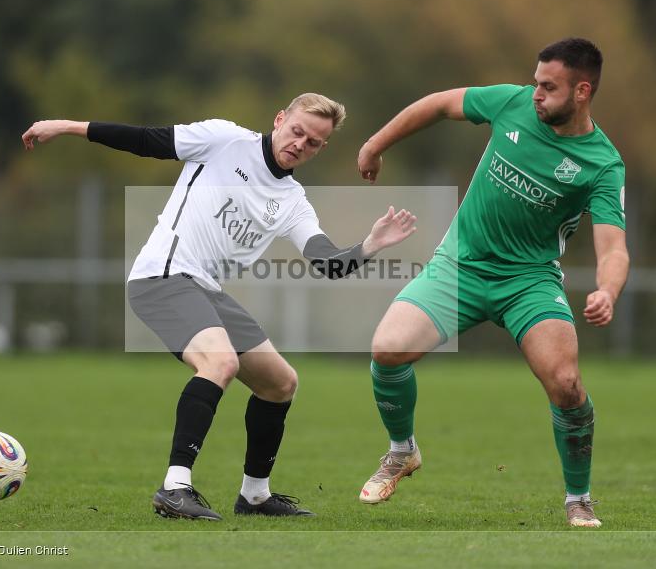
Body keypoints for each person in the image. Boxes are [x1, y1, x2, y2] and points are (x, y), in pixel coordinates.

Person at [22, 93, 417, 521]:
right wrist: (66, 125)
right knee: (220, 362)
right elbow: (146, 140)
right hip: (163, 275)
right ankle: (174, 487)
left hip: (205, 290)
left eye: (314, 142)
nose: (301, 143)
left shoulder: (293, 200)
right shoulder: (225, 140)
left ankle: (254, 496)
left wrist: (371, 245)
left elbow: (326, 262)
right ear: (279, 119)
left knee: (280, 383)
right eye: (297, 131)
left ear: (321, 149)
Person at [356, 38, 629, 528]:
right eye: (536, 82)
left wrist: (607, 290)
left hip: (528, 281)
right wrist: (376, 144)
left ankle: (578, 498)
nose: (536, 93)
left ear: (582, 91)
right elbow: (440, 103)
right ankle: (402, 452)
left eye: (549, 87)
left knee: (566, 385)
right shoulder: (512, 102)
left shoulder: (602, 163)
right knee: (387, 348)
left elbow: (613, 247)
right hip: (460, 265)